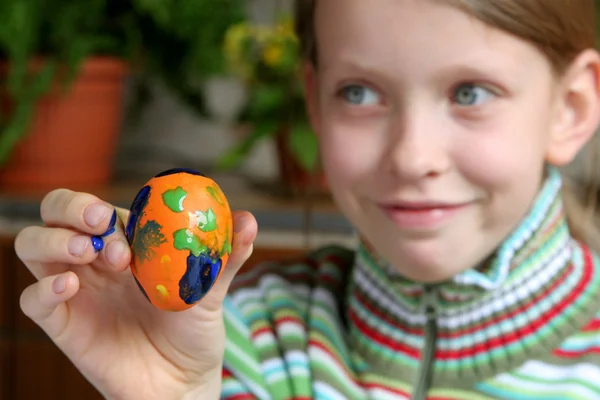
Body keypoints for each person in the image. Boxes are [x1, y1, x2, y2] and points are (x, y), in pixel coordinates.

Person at [13, 0, 600, 398]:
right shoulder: (233, 343)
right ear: (315, 105)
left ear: (570, 109)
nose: (412, 155)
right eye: (360, 91)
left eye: (470, 92)